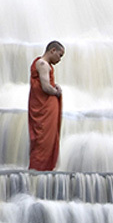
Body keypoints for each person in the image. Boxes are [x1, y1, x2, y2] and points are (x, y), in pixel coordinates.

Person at [28, 41, 64, 171]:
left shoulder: (42, 64)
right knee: (43, 139)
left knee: (45, 139)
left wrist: (55, 86)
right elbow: (45, 87)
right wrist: (57, 92)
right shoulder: (43, 64)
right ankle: (39, 169)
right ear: (53, 50)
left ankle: (43, 171)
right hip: (45, 108)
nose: (60, 59)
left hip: (46, 106)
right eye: (60, 55)